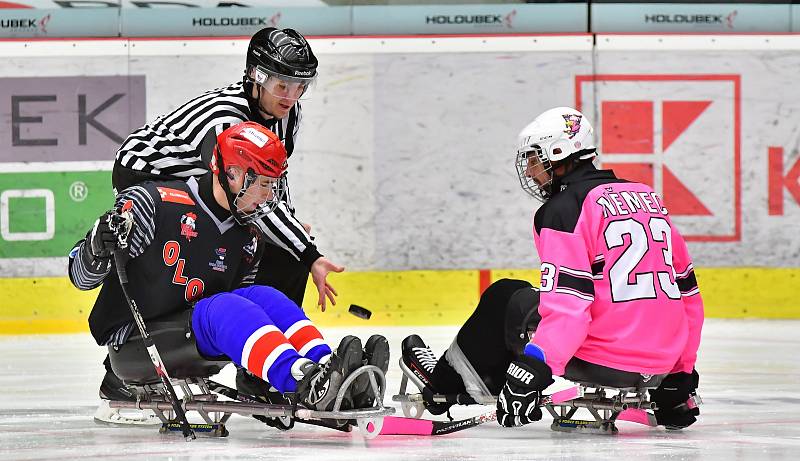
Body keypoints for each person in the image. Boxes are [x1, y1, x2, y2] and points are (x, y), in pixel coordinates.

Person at [400, 107, 704, 430]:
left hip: (606, 360)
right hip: (662, 366)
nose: (531, 172)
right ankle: (477, 379)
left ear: (558, 155)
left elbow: (569, 307)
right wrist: (681, 373)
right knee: (536, 301)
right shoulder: (648, 197)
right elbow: (688, 297)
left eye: (535, 160)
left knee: (505, 297)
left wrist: (533, 369)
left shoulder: (562, 211)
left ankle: (442, 387)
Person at [69, 123, 387, 416]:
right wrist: (96, 247)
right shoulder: (153, 202)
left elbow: (244, 312)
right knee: (224, 305)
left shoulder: (248, 235)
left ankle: (329, 370)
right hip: (135, 343)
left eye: (273, 184)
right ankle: (304, 383)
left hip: (190, 332)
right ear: (233, 174)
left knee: (264, 296)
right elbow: (80, 277)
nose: (269, 195)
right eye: (263, 183)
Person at [105, 27, 346, 405]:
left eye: (300, 86)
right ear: (257, 76)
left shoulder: (287, 114)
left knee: (278, 248)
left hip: (207, 181)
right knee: (176, 267)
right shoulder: (226, 120)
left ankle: (262, 362)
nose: (292, 95)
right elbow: (244, 191)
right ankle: (121, 373)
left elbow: (269, 182)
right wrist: (309, 252)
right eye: (283, 84)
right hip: (152, 176)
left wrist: (293, 235)